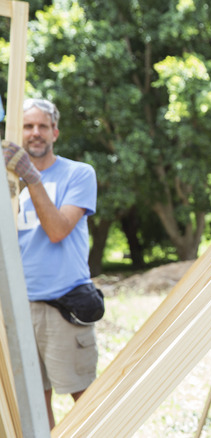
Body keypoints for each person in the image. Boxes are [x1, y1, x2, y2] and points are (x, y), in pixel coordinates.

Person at [2, 98, 98, 429]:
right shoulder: (8, 186)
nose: (35, 133)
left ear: (55, 132)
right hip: (20, 308)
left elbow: (57, 230)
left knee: (86, 399)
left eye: (43, 126)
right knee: (34, 403)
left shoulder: (78, 174)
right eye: (28, 126)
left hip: (64, 307)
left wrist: (31, 177)